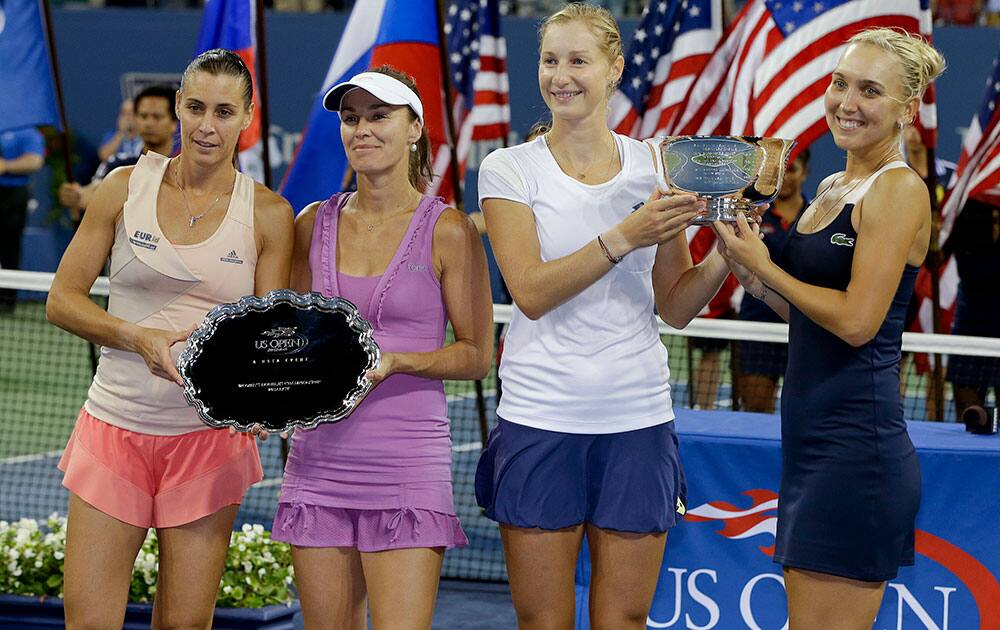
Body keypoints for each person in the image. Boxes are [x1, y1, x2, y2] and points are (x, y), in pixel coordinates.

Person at [473, 5, 737, 628]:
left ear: (614, 69)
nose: (561, 76)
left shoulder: (656, 166)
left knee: (623, 620)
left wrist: (728, 250)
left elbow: (674, 306)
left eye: (578, 60)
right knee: (544, 621)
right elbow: (531, 293)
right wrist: (625, 233)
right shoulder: (508, 168)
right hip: (540, 417)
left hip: (637, 420)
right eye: (549, 60)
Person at [45, 49, 293, 629]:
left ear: (247, 117)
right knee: (88, 622)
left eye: (225, 111)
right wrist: (135, 336)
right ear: (178, 107)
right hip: (114, 429)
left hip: (208, 443)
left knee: (184, 625)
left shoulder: (269, 214)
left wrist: (262, 398)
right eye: (197, 107)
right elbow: (63, 299)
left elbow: (262, 338)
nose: (208, 125)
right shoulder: (121, 188)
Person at [715, 28, 945, 629]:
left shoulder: (899, 189)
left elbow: (856, 323)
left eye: (870, 90)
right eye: (840, 83)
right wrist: (751, 271)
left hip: (856, 453)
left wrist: (770, 268)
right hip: (812, 445)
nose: (847, 102)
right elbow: (811, 315)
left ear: (906, 108)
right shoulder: (831, 187)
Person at [271, 66, 492, 630]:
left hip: (406, 465)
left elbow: (476, 354)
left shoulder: (449, 231)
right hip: (317, 464)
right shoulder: (308, 224)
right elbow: (287, 340)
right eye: (351, 118)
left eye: (379, 116)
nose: (362, 129)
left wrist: (395, 362)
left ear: (415, 128)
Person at [735, 149, 810, 413]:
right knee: (756, 407)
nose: (787, 178)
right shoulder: (755, 215)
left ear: (806, 173)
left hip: (801, 324)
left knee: (804, 410)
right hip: (758, 324)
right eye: (782, 171)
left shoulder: (818, 216)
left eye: (793, 170)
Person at [59, 85, 178, 215]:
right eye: (143, 116)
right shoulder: (117, 164)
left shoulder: (187, 168)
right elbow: (94, 193)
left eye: (157, 117)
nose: (149, 123)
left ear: (174, 123)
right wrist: (76, 196)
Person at [945, 197, 1000, 420]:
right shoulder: (965, 211)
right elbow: (934, 258)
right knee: (969, 419)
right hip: (970, 326)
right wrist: (935, 235)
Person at [0, 126, 46, 312]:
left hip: (13, 195)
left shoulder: (28, 132)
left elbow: (35, 161)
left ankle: (6, 300)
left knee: (10, 247)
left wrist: (5, 166)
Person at [97, 99, 143, 163]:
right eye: (124, 113)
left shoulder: (146, 136)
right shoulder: (112, 136)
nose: (128, 118)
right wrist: (121, 133)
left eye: (131, 113)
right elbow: (103, 156)